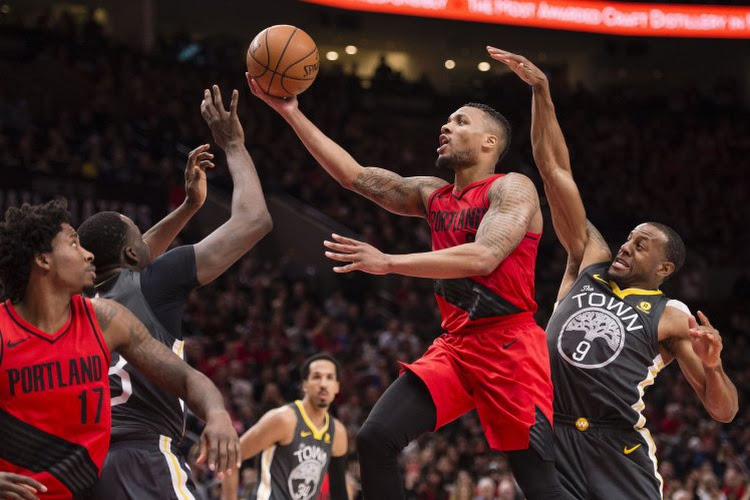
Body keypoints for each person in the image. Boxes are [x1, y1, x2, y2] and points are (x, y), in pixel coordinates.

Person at [248, 73, 566, 499]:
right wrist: (291, 113)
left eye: (460, 121)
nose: (446, 127)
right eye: (447, 121)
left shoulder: (511, 188)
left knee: (539, 485)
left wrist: (387, 262)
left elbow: (485, 255)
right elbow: (354, 176)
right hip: (457, 347)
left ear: (490, 143)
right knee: (375, 438)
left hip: (511, 348)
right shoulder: (432, 195)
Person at [487, 47, 739, 499]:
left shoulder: (671, 315)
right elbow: (555, 170)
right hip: (553, 433)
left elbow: (722, 411)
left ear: (663, 268)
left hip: (616, 446)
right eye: (629, 237)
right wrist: (542, 92)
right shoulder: (588, 259)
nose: (626, 245)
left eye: (641, 245)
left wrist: (715, 368)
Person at [77, 85, 272, 500]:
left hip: (84, 467)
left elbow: (134, 255)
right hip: (143, 460)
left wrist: (188, 207)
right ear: (133, 252)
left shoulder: (73, 307)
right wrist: (234, 143)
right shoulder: (152, 283)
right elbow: (254, 219)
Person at [0, 200, 239, 500]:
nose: (88, 255)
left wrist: (217, 413)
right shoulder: (3, 332)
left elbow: (187, 379)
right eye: (74, 244)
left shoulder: (105, 318)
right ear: (43, 261)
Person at [222, 353, 348, 500]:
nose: (323, 384)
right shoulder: (284, 420)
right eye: (316, 377)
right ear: (304, 384)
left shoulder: (337, 432)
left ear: (337, 387)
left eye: (329, 377)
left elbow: (339, 491)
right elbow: (231, 455)